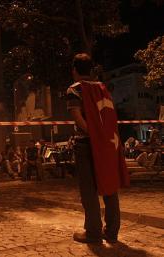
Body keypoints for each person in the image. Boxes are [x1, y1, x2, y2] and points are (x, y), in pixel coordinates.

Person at [66, 53, 129, 244]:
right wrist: (103, 138)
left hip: (86, 143)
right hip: (109, 143)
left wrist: (94, 135)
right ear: (91, 70)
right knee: (109, 184)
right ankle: (111, 231)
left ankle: (93, 232)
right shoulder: (103, 88)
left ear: (75, 70)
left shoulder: (74, 89)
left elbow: (78, 117)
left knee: (89, 190)